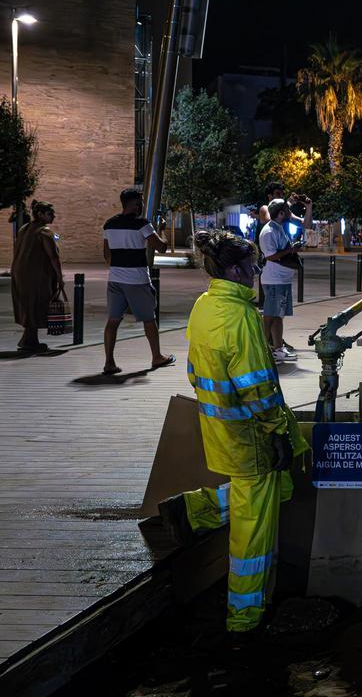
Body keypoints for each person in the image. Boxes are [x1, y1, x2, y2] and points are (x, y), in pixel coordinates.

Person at [157, 229, 309, 634]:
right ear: (237, 269)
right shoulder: (241, 316)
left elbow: (194, 370)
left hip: (218, 427)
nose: (258, 269)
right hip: (250, 435)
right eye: (253, 264)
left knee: (273, 489)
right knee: (253, 532)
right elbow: (257, 386)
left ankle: (195, 510)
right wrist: (277, 430)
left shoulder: (205, 306)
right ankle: (245, 618)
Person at [102, 188, 173, 375]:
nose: (142, 205)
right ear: (134, 204)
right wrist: (162, 230)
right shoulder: (142, 224)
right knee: (149, 320)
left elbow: (107, 255)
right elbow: (162, 247)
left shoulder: (109, 225)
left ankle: (109, 362)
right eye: (140, 202)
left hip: (115, 279)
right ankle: (157, 357)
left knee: (113, 320)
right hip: (137, 280)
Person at [11, 200, 64, 353]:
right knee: (36, 304)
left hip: (20, 273)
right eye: (50, 213)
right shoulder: (45, 232)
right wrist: (60, 277)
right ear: (40, 214)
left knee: (27, 305)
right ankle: (29, 340)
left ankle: (28, 339)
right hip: (36, 275)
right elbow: (54, 257)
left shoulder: (23, 229)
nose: (53, 216)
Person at [258, 198, 304, 363]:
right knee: (270, 315)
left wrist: (292, 248)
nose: (290, 214)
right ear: (281, 213)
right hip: (274, 279)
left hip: (281, 279)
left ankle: (278, 349)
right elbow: (270, 256)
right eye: (287, 211)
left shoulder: (278, 228)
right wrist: (291, 250)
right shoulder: (269, 231)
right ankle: (261, 349)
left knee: (278, 315)